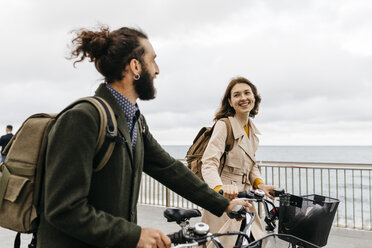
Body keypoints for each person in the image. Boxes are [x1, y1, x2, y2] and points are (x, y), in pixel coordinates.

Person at [37, 25, 250, 248]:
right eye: (153, 61)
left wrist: (223, 204)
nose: (157, 70)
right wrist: (133, 235)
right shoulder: (83, 118)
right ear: (135, 66)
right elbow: (62, 209)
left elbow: (169, 169)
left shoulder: (135, 121)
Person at [201, 77, 276, 247]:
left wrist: (260, 184)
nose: (243, 98)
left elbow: (252, 165)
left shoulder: (251, 131)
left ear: (254, 98)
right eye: (237, 95)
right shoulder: (224, 125)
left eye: (247, 93)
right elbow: (209, 162)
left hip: (245, 196)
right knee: (222, 243)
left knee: (254, 240)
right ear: (230, 101)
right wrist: (220, 190)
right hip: (224, 197)